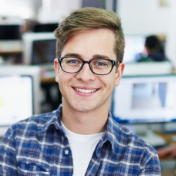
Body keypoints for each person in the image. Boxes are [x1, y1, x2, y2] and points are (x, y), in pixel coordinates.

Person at [0, 7, 161, 175]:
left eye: (100, 63)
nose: (85, 76)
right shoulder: (18, 139)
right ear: (57, 69)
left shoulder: (142, 159)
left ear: (118, 74)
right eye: (73, 61)